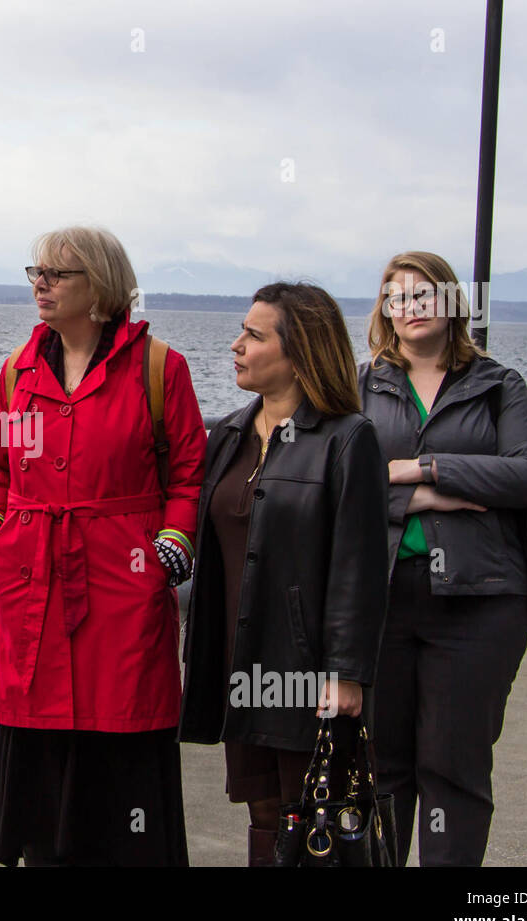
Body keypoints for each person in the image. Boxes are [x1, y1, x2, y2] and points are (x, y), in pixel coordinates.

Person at [0, 226, 207, 866]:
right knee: (41, 743)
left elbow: (189, 474)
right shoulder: (19, 371)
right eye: (36, 272)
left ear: (98, 285)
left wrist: (171, 544)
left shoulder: (161, 367)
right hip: (34, 583)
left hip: (123, 584)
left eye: (57, 274)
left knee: (123, 738)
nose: (40, 284)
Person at [179, 282, 390, 866]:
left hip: (308, 670)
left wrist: (347, 675)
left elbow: (361, 566)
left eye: (254, 334)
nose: (236, 344)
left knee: (316, 812)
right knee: (264, 812)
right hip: (240, 661)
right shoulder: (228, 435)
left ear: (299, 352)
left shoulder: (347, 439)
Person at [358, 251, 527, 866]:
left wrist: (422, 468)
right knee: (380, 768)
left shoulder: (498, 384)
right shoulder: (360, 385)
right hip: (381, 597)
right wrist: (427, 498)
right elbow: (340, 481)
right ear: (385, 311)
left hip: (480, 599)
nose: (410, 308)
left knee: (455, 767)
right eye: (397, 298)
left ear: (450, 302)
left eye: (423, 295)